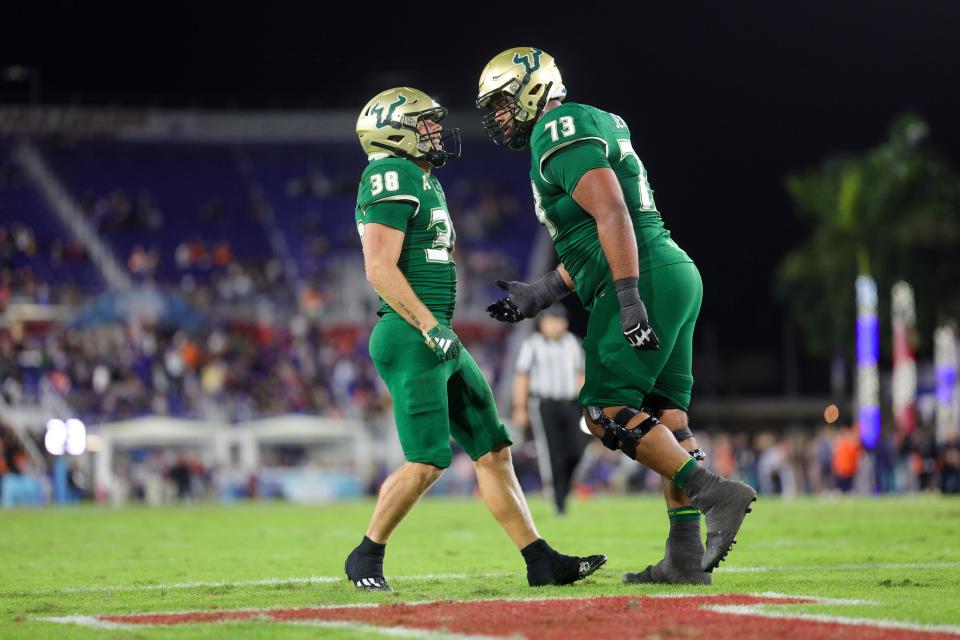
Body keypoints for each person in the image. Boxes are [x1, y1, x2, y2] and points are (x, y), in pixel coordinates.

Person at [477, 48, 756, 585]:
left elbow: (611, 211)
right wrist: (541, 293)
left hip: (644, 275)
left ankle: (714, 494)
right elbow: (592, 238)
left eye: (504, 101)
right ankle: (683, 556)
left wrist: (628, 297)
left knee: (604, 412)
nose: (500, 116)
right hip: (669, 270)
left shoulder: (556, 127)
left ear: (535, 90)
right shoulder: (588, 121)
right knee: (667, 418)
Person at [346, 87, 606, 592]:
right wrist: (428, 327)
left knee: (493, 449)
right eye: (423, 123)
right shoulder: (389, 173)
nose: (435, 131)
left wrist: (436, 329)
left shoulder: (422, 179)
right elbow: (378, 267)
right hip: (411, 334)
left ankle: (539, 560)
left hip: (435, 334)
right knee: (426, 462)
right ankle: (366, 556)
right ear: (393, 129)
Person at [512, 303, 589, 514]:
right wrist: (520, 407)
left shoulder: (572, 343)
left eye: (559, 321)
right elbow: (522, 376)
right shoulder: (533, 344)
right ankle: (558, 500)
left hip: (570, 403)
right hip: (544, 404)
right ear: (542, 323)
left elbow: (580, 374)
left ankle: (563, 488)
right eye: (550, 321)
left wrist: (585, 404)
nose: (555, 325)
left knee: (577, 449)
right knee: (552, 452)